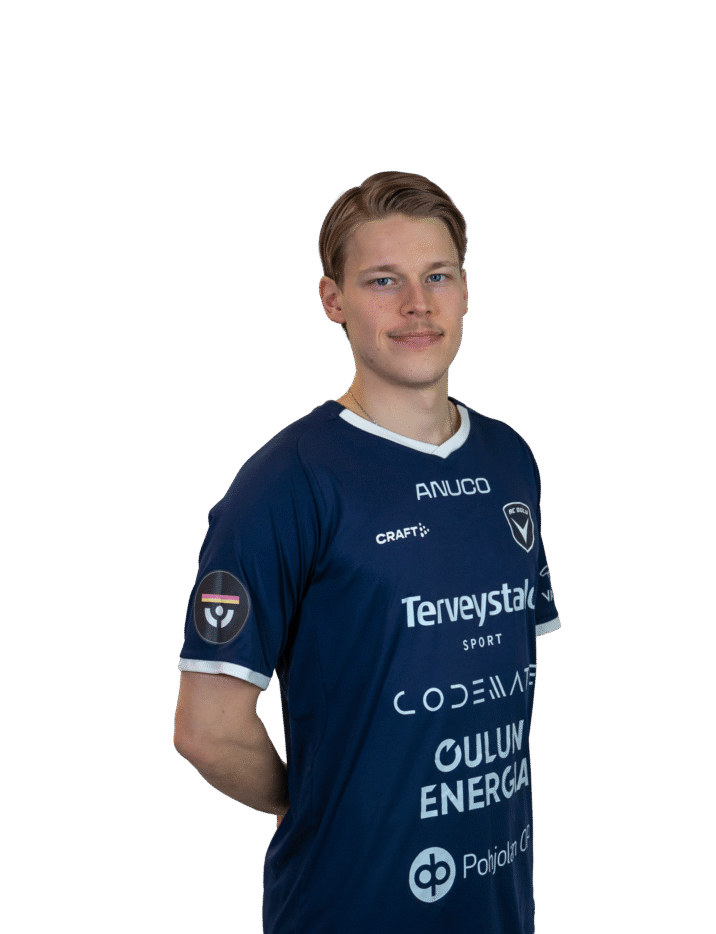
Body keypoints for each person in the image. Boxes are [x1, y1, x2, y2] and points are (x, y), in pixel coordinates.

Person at [173, 170, 561, 933]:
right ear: (334, 300)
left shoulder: (510, 458)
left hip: (498, 905)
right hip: (349, 908)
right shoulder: (288, 480)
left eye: (437, 276)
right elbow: (207, 729)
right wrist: (322, 805)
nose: (418, 304)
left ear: (466, 291)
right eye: (384, 280)